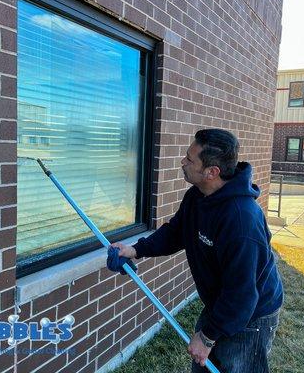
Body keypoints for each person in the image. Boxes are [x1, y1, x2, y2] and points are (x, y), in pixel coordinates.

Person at [110, 128, 284, 373]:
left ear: (211, 172)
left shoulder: (241, 220)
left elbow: (242, 293)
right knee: (204, 367)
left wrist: (207, 338)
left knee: (234, 366)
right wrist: (135, 250)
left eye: (190, 159)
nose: (183, 162)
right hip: (222, 302)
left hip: (251, 314)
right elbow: (175, 233)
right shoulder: (197, 196)